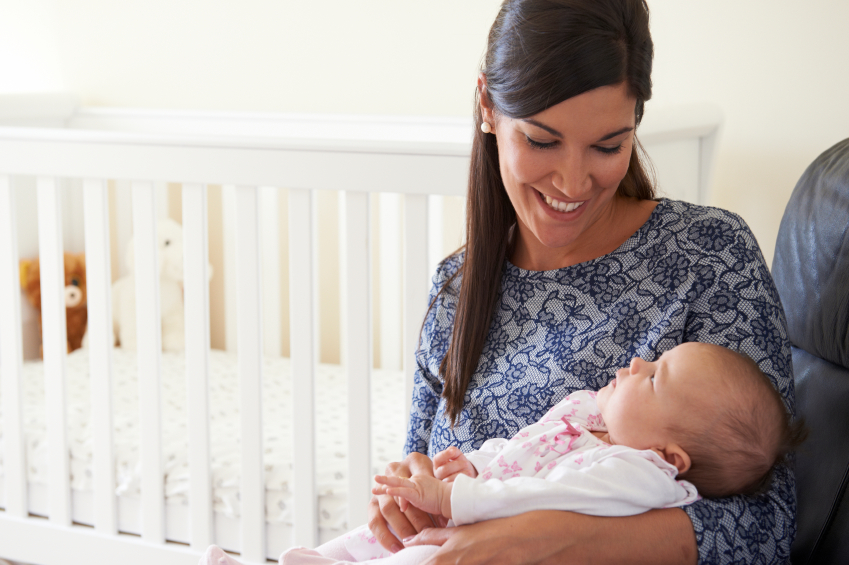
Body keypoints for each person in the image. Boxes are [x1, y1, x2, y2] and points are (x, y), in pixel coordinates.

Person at [367, 1, 798, 564]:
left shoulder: (708, 256)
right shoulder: (456, 290)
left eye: (607, 145)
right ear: (488, 107)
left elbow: (767, 526)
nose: (572, 181)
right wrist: (404, 504)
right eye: (543, 141)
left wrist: (544, 543)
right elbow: (419, 485)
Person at [264, 342, 802, 564]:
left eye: (656, 378)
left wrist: (458, 494)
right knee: (383, 544)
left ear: (670, 454)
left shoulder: (639, 475)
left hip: (488, 534)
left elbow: (544, 493)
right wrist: (466, 463)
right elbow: (523, 446)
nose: (638, 363)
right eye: (654, 360)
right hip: (461, 511)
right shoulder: (590, 417)